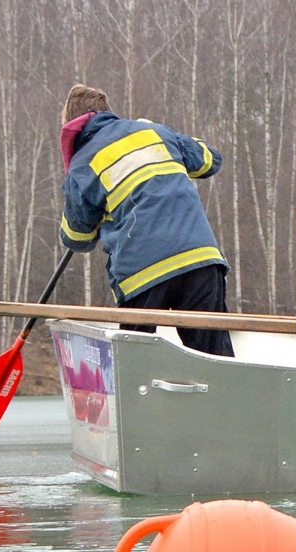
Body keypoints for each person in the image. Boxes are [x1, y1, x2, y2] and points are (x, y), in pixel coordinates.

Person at [58, 84, 235, 357]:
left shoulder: (82, 165)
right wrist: (171, 135)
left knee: (135, 363)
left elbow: (77, 238)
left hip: (141, 273)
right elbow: (210, 160)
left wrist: (101, 210)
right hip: (199, 259)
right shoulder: (154, 131)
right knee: (214, 358)